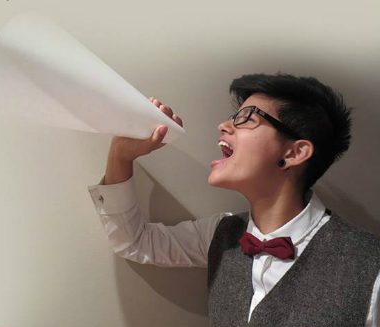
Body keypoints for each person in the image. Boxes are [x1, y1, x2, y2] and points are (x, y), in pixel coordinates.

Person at [88, 73, 380, 326]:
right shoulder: (221, 235)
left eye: (246, 119)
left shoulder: (370, 264)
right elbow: (134, 241)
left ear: (293, 153)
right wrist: (121, 156)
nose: (223, 126)